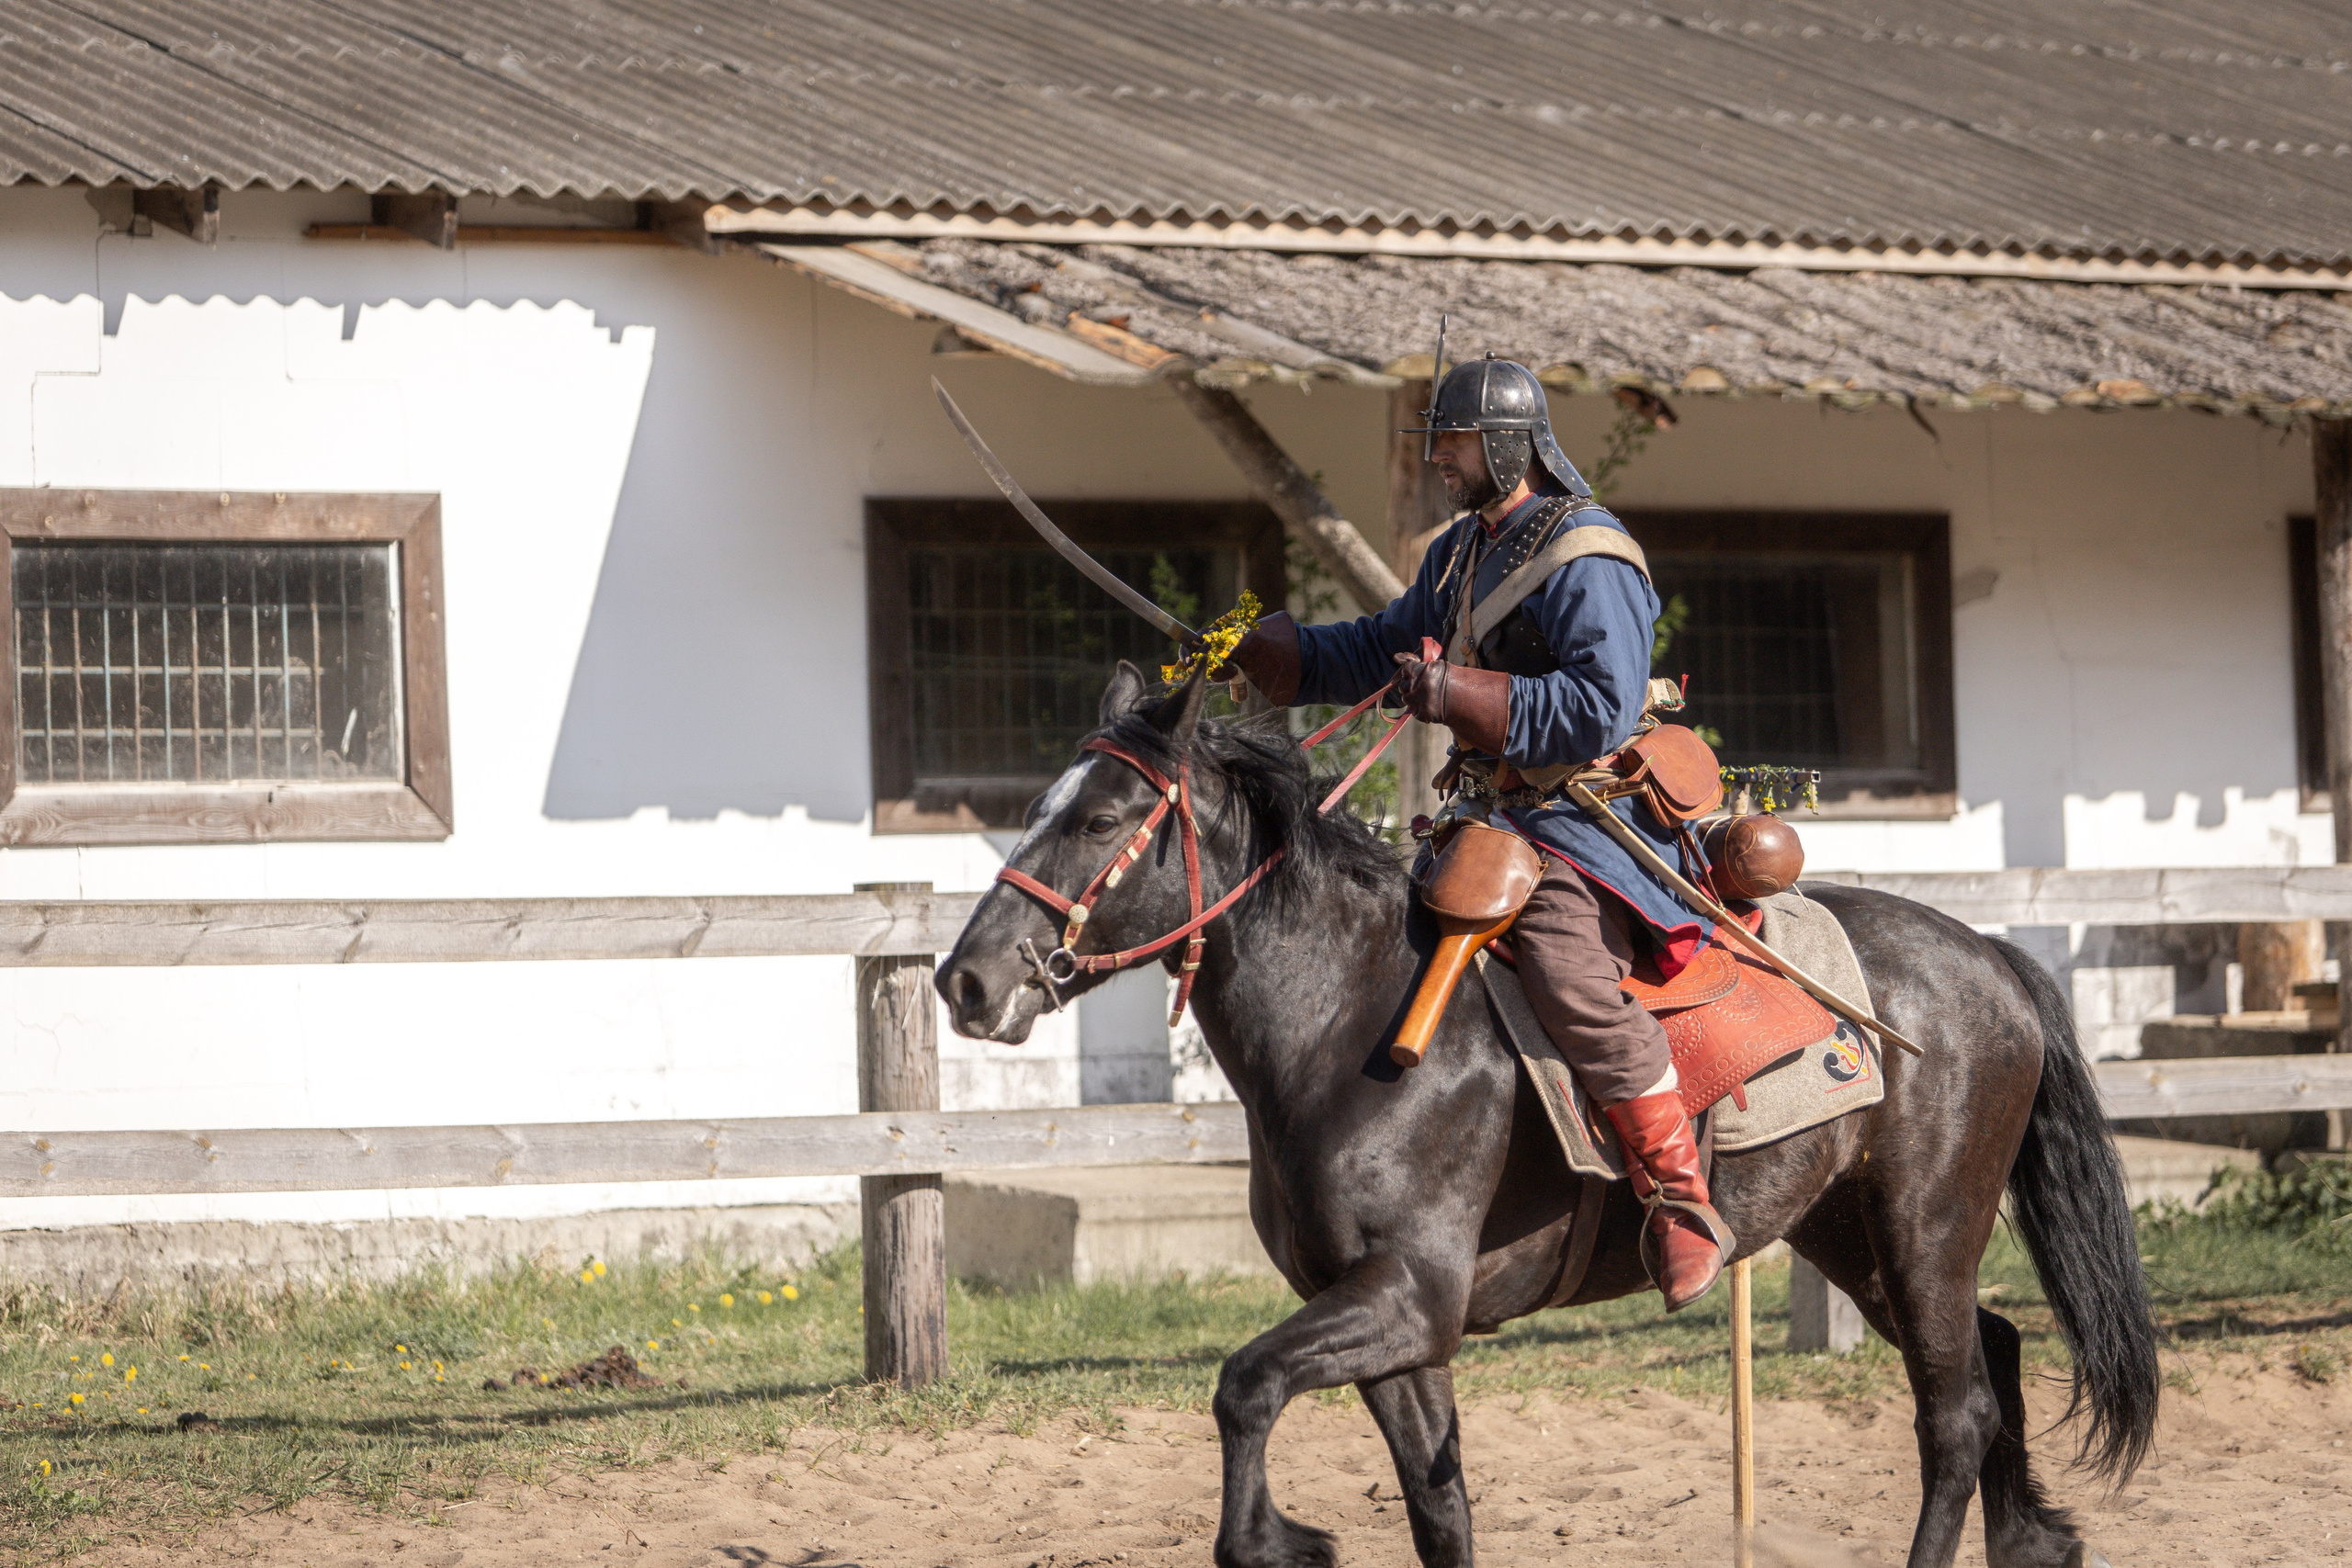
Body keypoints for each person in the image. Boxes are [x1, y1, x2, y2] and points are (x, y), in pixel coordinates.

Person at [1223, 355, 1733, 1310]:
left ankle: (1678, 1197)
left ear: (1506, 445)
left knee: (1570, 974)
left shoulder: (1589, 555)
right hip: (1488, 820)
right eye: (1437, 445)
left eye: (1452, 443)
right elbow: (1381, 646)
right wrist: (1275, 654)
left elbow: (1597, 706)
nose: (1439, 463)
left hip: (1586, 824)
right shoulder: (1458, 553)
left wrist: (1455, 690)